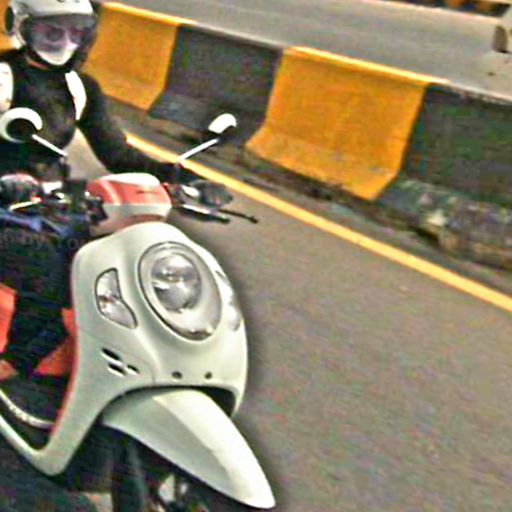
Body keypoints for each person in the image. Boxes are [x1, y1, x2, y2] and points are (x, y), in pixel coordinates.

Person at [0, 0, 231, 381]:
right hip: (6, 200)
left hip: (44, 201)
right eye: (52, 32)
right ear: (21, 28)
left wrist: (185, 177)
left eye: (76, 31)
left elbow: (118, 154)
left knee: (115, 257)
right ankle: (16, 363)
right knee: (43, 262)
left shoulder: (80, 89)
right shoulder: (4, 79)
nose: (65, 42)